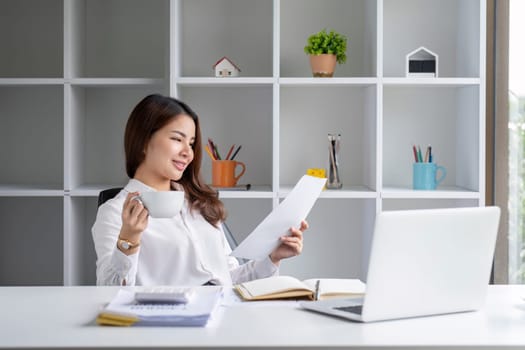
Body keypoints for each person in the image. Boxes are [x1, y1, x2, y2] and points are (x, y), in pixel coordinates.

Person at [92, 94, 308, 286]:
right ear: (143, 142)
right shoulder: (114, 211)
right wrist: (129, 239)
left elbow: (228, 279)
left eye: (191, 143)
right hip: (168, 324)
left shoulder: (199, 202)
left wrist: (272, 258)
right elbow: (109, 291)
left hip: (222, 316)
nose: (188, 153)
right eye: (177, 139)